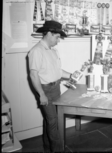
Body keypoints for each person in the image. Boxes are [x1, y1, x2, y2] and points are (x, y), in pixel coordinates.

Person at [28, 20, 72, 152]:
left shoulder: (53, 51)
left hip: (56, 88)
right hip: (45, 90)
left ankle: (47, 148)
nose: (58, 40)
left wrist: (72, 75)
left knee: (49, 120)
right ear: (48, 34)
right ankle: (58, 150)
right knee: (54, 123)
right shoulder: (36, 51)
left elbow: (58, 71)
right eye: (57, 37)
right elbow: (33, 75)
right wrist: (41, 94)